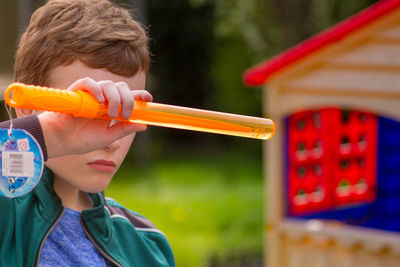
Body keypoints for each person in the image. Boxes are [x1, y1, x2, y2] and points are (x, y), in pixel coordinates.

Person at [0, 0, 175, 266]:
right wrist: (54, 135)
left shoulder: (146, 243)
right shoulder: (6, 216)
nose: (110, 141)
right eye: (88, 116)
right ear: (27, 107)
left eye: (127, 115)